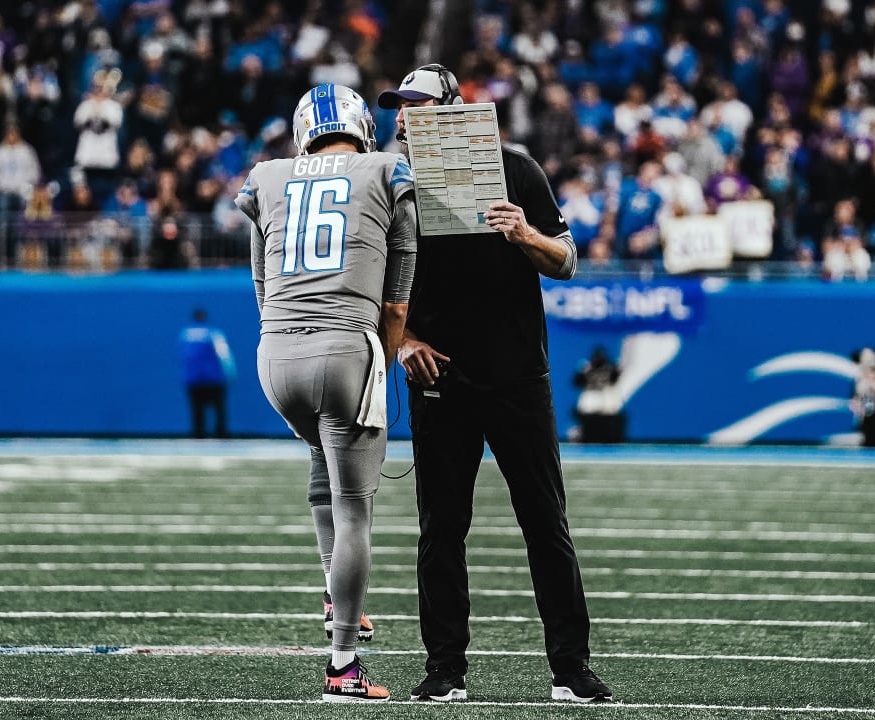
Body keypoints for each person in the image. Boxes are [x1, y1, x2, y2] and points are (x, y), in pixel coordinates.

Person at [378, 64, 613, 703]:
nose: (403, 115)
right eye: (399, 106)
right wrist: (407, 344)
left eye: (417, 104)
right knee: (441, 527)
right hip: (440, 375)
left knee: (544, 521)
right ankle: (445, 670)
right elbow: (372, 292)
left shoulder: (516, 169)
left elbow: (566, 261)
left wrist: (524, 233)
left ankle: (571, 668)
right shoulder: (391, 182)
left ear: (454, 107)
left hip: (516, 372)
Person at [236, 83, 416, 703]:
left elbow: (261, 285)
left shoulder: (266, 175)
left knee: (322, 464)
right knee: (355, 508)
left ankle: (333, 592)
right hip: (346, 345)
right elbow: (397, 296)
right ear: (363, 125)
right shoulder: (387, 167)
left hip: (275, 356)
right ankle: (343, 665)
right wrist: (383, 360)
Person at [178, 308, 234, 438]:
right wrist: (230, 373)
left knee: (197, 409)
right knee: (218, 408)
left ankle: (198, 434)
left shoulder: (185, 334)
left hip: (193, 379)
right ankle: (221, 434)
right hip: (213, 378)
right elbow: (224, 355)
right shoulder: (213, 334)